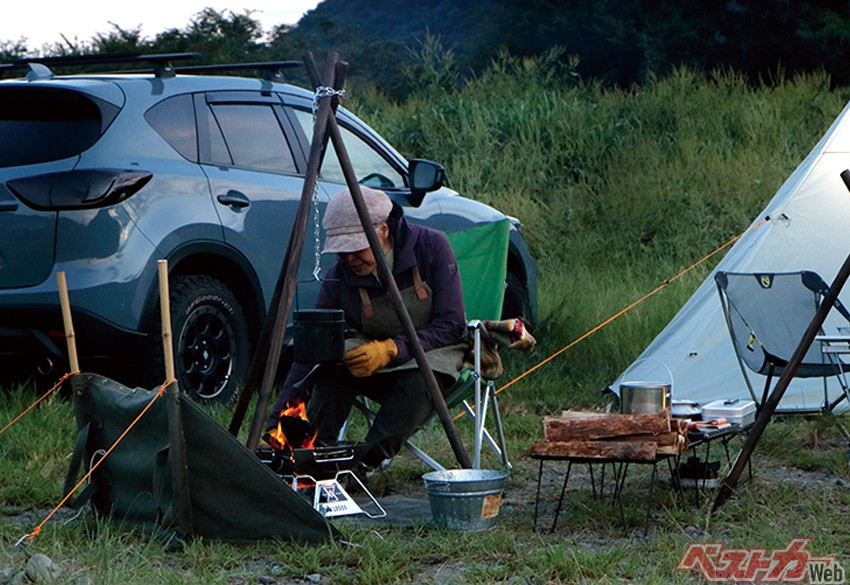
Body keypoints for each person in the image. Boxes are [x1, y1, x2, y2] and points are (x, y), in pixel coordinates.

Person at [267, 186, 467, 469]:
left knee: (419, 382)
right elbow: (311, 349)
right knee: (330, 369)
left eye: (355, 248)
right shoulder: (338, 278)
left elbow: (452, 323)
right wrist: (277, 423)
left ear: (383, 230)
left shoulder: (431, 247)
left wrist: (393, 349)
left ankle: (361, 465)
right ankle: (314, 460)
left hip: (433, 354)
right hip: (372, 363)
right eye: (341, 251)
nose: (349, 259)